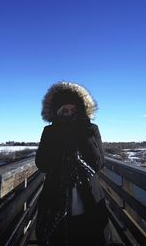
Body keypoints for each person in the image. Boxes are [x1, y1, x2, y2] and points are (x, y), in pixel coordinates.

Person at [35, 81, 109, 246]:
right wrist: (61, 158)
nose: (69, 114)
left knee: (90, 235)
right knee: (57, 236)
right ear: (57, 112)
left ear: (81, 110)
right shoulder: (49, 131)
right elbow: (41, 163)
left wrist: (86, 133)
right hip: (56, 193)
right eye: (65, 110)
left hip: (88, 193)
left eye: (74, 110)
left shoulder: (91, 129)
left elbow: (98, 163)